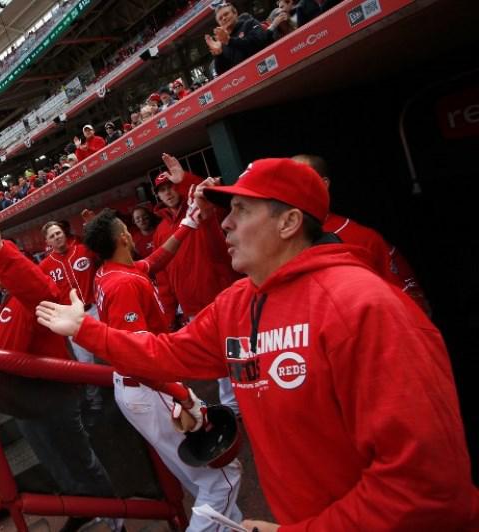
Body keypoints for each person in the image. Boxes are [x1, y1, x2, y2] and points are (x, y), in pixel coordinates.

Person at [36, 158, 478, 531]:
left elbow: (428, 486)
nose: (225, 222)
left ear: (288, 222)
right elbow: (168, 352)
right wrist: (86, 330)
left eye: (242, 210)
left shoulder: (366, 306)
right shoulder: (239, 302)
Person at [84, 209, 242, 531]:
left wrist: (187, 225)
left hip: (138, 388)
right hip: (150, 386)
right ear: (124, 238)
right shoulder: (123, 285)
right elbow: (136, 358)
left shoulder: (113, 272)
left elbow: (154, 262)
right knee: (222, 478)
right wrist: (182, 394)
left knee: (199, 480)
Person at [0, 206, 119, 532]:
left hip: (52, 397)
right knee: (56, 465)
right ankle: (84, 511)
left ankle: (117, 518)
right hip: (22, 400)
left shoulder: (27, 294)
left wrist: (1, 251)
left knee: (81, 461)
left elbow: (42, 290)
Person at [153, 154, 239, 411]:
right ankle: (233, 406)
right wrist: (169, 314)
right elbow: (164, 278)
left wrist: (185, 181)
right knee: (215, 358)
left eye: (170, 187)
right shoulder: (160, 232)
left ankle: (252, 397)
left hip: (220, 296)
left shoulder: (197, 207)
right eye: (162, 190)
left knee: (237, 352)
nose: (167, 193)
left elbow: (210, 197)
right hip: (193, 306)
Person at [292, 154, 430, 313]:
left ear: (323, 184)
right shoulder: (271, 238)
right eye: (285, 180)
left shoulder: (362, 238)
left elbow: (410, 303)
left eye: (300, 177)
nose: (291, 185)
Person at [39, 220, 104, 416]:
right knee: (85, 362)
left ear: (64, 233)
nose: (56, 237)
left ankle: (133, 383)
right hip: (71, 318)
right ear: (47, 241)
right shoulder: (45, 266)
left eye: (58, 233)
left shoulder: (84, 250)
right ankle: (96, 402)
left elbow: (103, 265)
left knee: (112, 348)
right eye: (52, 236)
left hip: (95, 309)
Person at [205, 4, 270, 78]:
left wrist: (230, 41)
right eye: (220, 18)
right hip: (243, 82)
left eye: (226, 14)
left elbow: (259, 42)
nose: (224, 18)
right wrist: (219, 55)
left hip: (265, 70)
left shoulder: (250, 23)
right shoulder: (223, 43)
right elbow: (222, 73)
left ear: (235, 12)